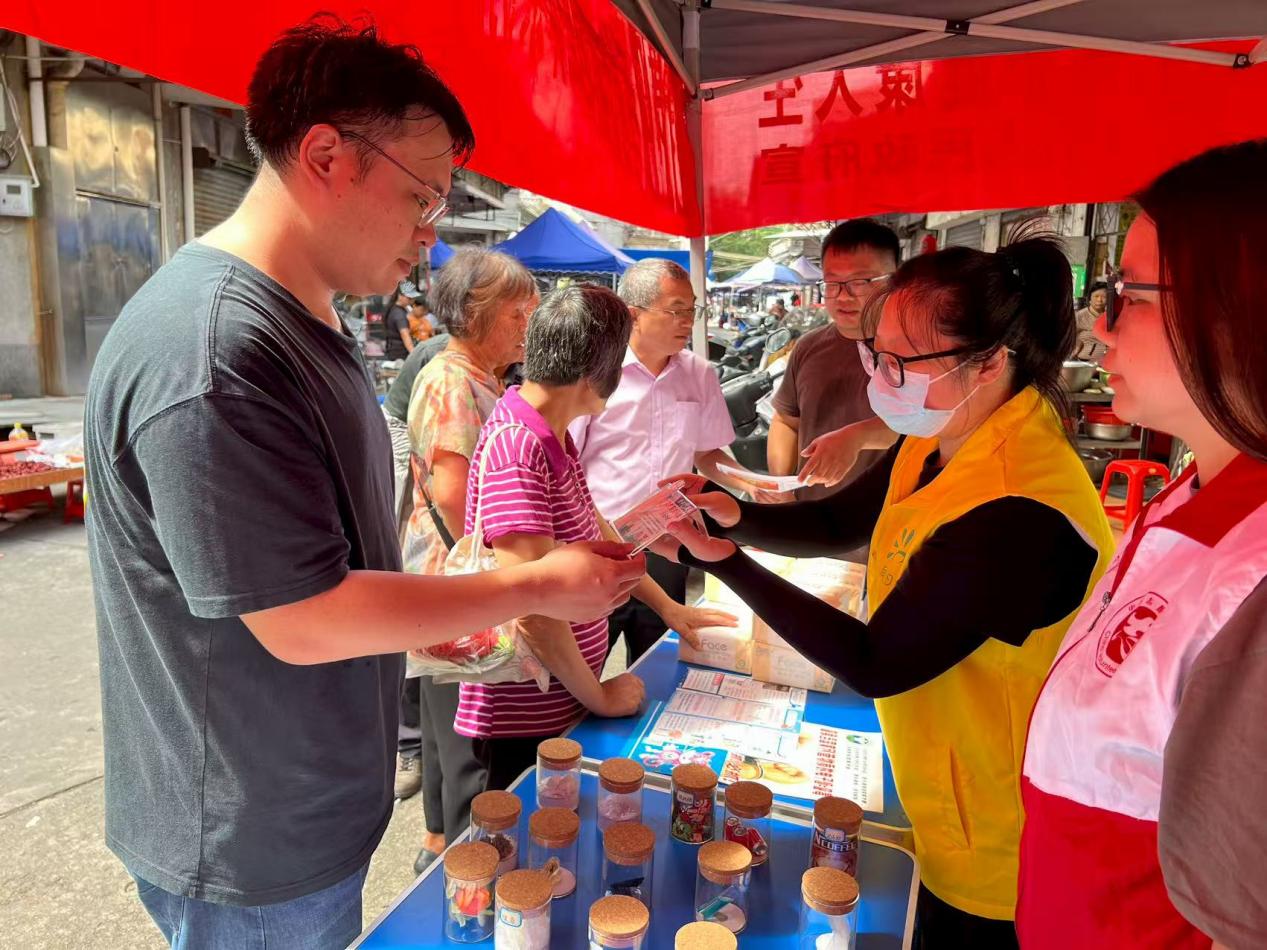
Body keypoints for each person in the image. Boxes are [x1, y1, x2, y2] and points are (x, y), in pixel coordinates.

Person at [82, 19, 644, 950]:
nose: (431, 233)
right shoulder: (215, 351)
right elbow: (303, 618)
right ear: (326, 156)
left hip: (302, 805)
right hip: (250, 839)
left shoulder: (308, 321)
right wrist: (537, 584)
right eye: (422, 195)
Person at [662, 233, 1116, 948]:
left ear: (988, 361)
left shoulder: (1019, 508)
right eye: (877, 354)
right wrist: (736, 517)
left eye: (903, 361)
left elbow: (877, 660)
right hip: (935, 776)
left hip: (995, 827)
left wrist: (727, 564)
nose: (881, 377)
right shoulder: (946, 427)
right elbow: (843, 517)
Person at [1018, 140, 1267, 949]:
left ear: (1238, 307)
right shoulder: (1193, 495)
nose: (1100, 326)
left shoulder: (1254, 580)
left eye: (1128, 294)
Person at [460, 284, 665, 788]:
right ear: (598, 373)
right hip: (526, 716)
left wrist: (669, 608)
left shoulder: (551, 432)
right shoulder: (519, 447)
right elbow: (530, 605)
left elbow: (597, 524)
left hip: (559, 698)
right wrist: (599, 696)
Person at [398, 247, 538, 871]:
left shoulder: (479, 377)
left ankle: (441, 848)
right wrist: (501, 571)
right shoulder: (453, 381)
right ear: (476, 313)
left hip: (446, 584)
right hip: (456, 585)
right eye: (518, 311)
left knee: (447, 733)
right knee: (468, 745)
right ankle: (466, 871)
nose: (528, 323)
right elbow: (454, 497)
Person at [571, 259, 747, 663]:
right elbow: (569, 462)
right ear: (633, 314)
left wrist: (750, 483)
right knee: (587, 657)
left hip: (668, 541)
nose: (687, 321)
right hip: (598, 543)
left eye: (692, 310)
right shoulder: (596, 373)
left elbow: (708, 453)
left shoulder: (699, 374)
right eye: (676, 310)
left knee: (657, 658)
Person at [767, 219, 901, 505]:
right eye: (832, 283)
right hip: (812, 515)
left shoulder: (921, 349)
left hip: (891, 518)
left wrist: (857, 437)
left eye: (859, 282)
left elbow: (929, 426)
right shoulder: (808, 347)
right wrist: (782, 487)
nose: (842, 296)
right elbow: (786, 421)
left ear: (894, 280)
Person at [1073, 279, 1108, 360]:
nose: (1099, 300)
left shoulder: (1110, 316)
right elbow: (1070, 338)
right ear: (1089, 299)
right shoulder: (1079, 316)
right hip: (1085, 361)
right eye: (1096, 296)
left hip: (1106, 360)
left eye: (1104, 297)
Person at [384, 287, 416, 359]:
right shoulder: (399, 313)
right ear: (400, 296)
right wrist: (414, 355)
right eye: (409, 298)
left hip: (394, 351)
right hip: (400, 354)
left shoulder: (395, 309)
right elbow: (404, 334)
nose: (412, 300)